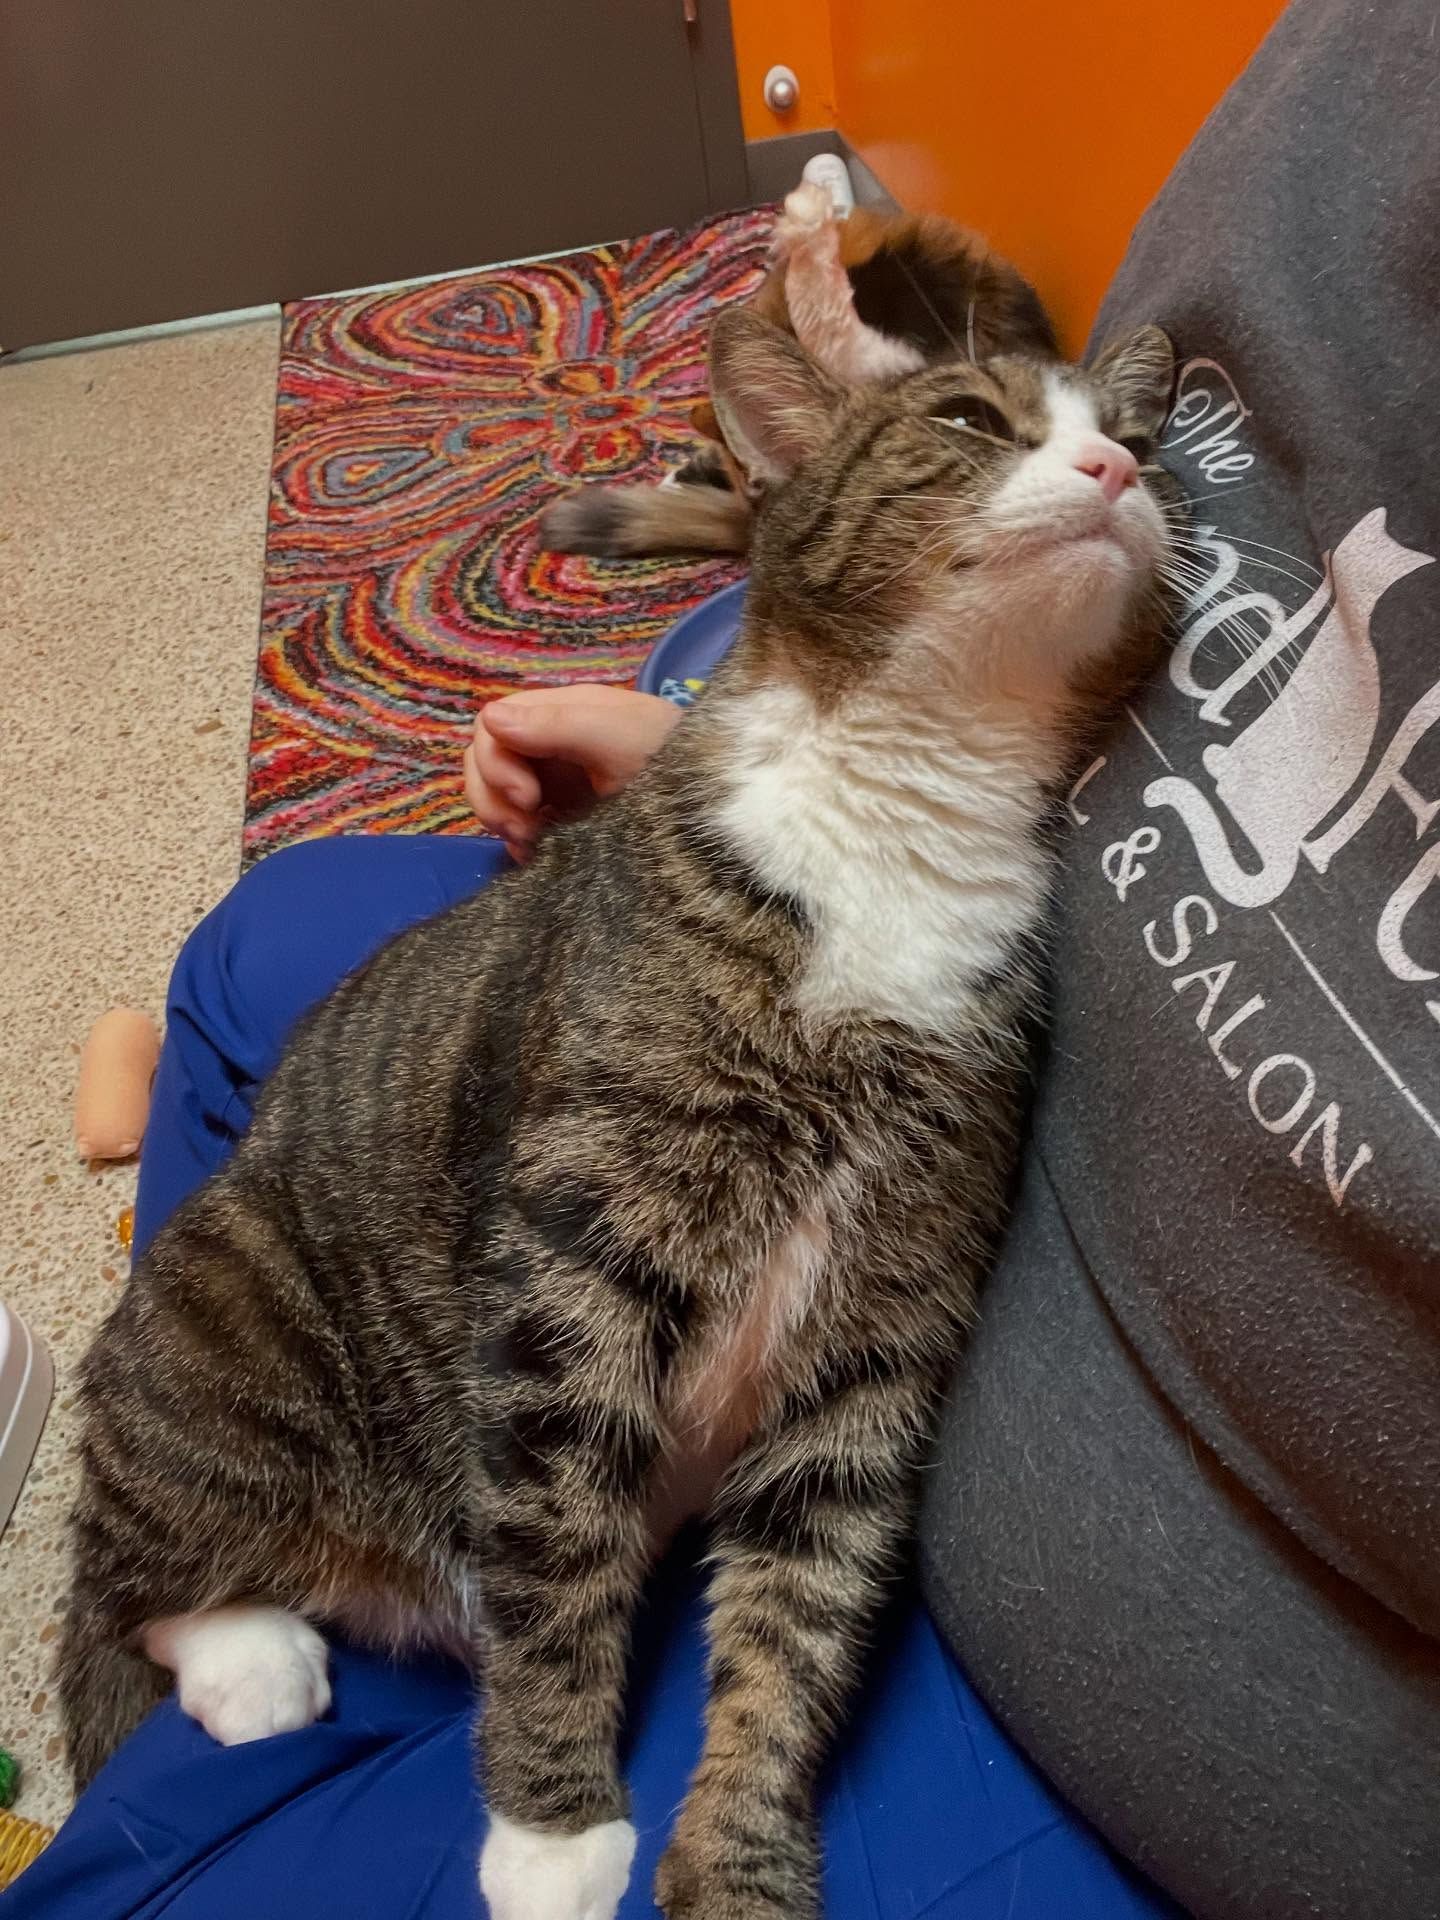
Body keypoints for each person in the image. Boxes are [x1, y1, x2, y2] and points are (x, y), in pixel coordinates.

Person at [14, 2, 1440, 1914]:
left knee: (125, 1882)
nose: (1107, 470)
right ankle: (179, 1590)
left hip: (1108, 1651)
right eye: (1015, 427)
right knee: (249, 966)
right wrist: (699, 719)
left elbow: (811, 1418)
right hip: (443, 1401)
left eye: (1123, 453)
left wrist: (706, 1808)